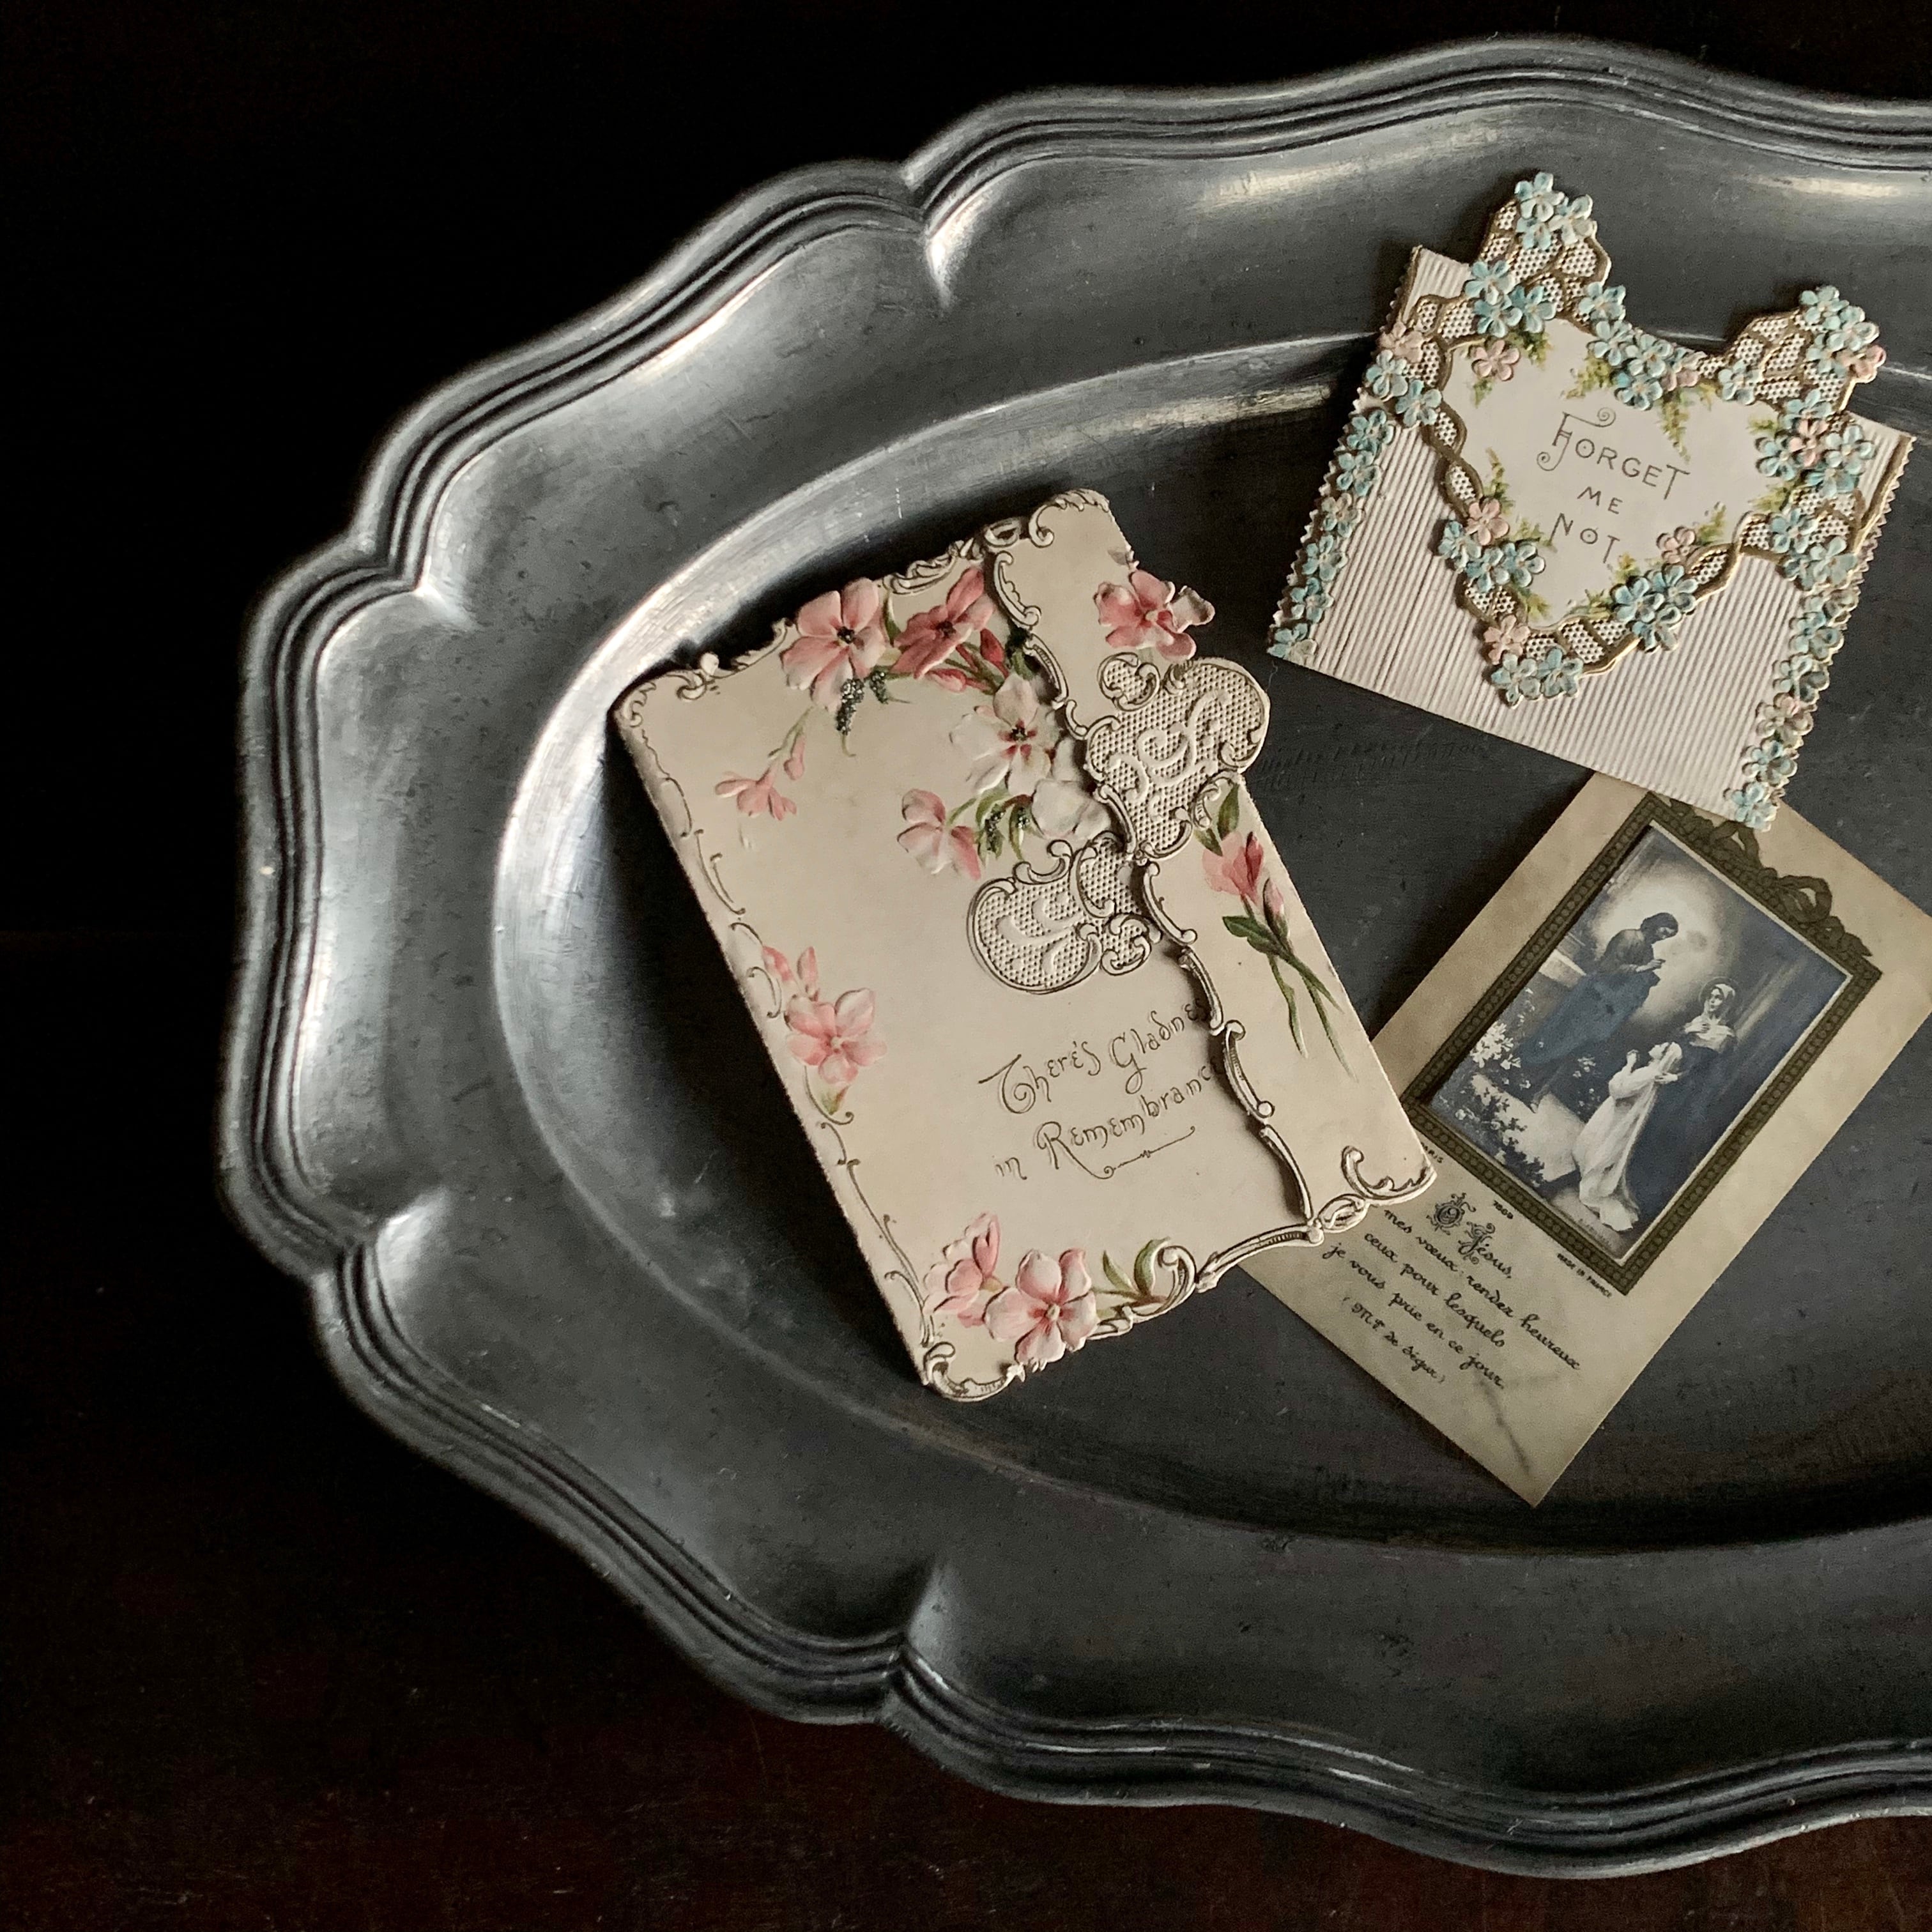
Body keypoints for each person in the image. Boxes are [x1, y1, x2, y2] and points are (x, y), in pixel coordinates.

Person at [1515, 912, 1679, 1098]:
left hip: (1604, 1007)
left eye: (1667, 936)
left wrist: (1647, 978)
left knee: (1574, 1047)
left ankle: (1534, 1090)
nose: (1662, 938)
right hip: (1591, 997)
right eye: (1663, 932)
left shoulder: (1648, 951)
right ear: (1655, 924)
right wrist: (1642, 969)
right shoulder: (1628, 937)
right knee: (1559, 1037)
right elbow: (1607, 969)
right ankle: (1517, 1073)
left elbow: (1633, 982)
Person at [1627, 981, 1739, 1221]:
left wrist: (1677, 1078)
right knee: (1643, 1125)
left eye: (1718, 998)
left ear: (1727, 1004)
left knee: (1662, 1134)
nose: (1712, 1001)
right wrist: (1688, 1030)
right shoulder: (1696, 1022)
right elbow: (1670, 1044)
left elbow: (1707, 1073)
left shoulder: (1725, 1037)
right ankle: (1624, 1182)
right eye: (1710, 996)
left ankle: (1643, 1197)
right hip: (1665, 1078)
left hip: (1687, 1091)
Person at [1572, 1041, 1682, 1234]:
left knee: (1600, 1146)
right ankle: (1589, 1173)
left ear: (1663, 1056)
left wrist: (1629, 1064)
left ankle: (1591, 1180)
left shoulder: (1648, 1073)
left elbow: (1617, 1090)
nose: (1656, 1045)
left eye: (1661, 1046)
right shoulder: (1654, 1075)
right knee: (1603, 1148)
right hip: (1623, 1116)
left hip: (1618, 1117)